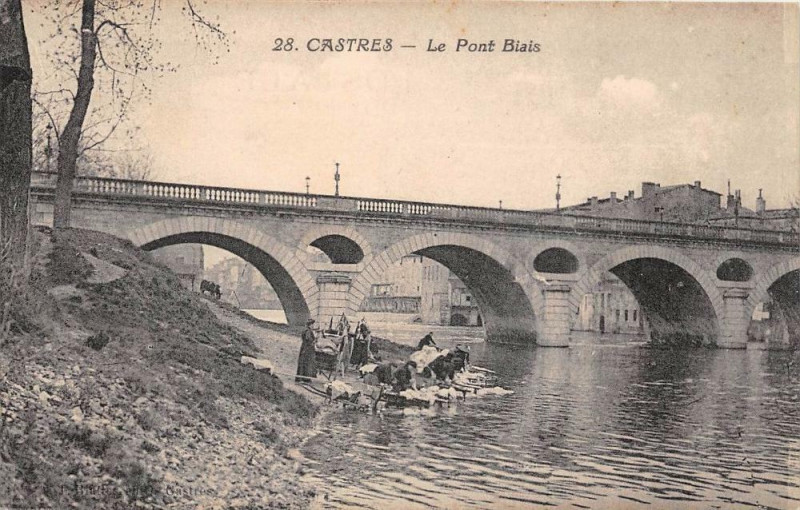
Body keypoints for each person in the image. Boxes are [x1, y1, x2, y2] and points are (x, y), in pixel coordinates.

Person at [296, 318, 318, 383]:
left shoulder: (306, 330)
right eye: (312, 325)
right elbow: (308, 340)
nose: (313, 326)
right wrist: (315, 340)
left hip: (305, 348)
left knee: (305, 363)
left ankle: (304, 378)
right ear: (310, 325)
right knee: (306, 363)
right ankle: (303, 379)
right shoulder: (308, 331)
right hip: (307, 349)